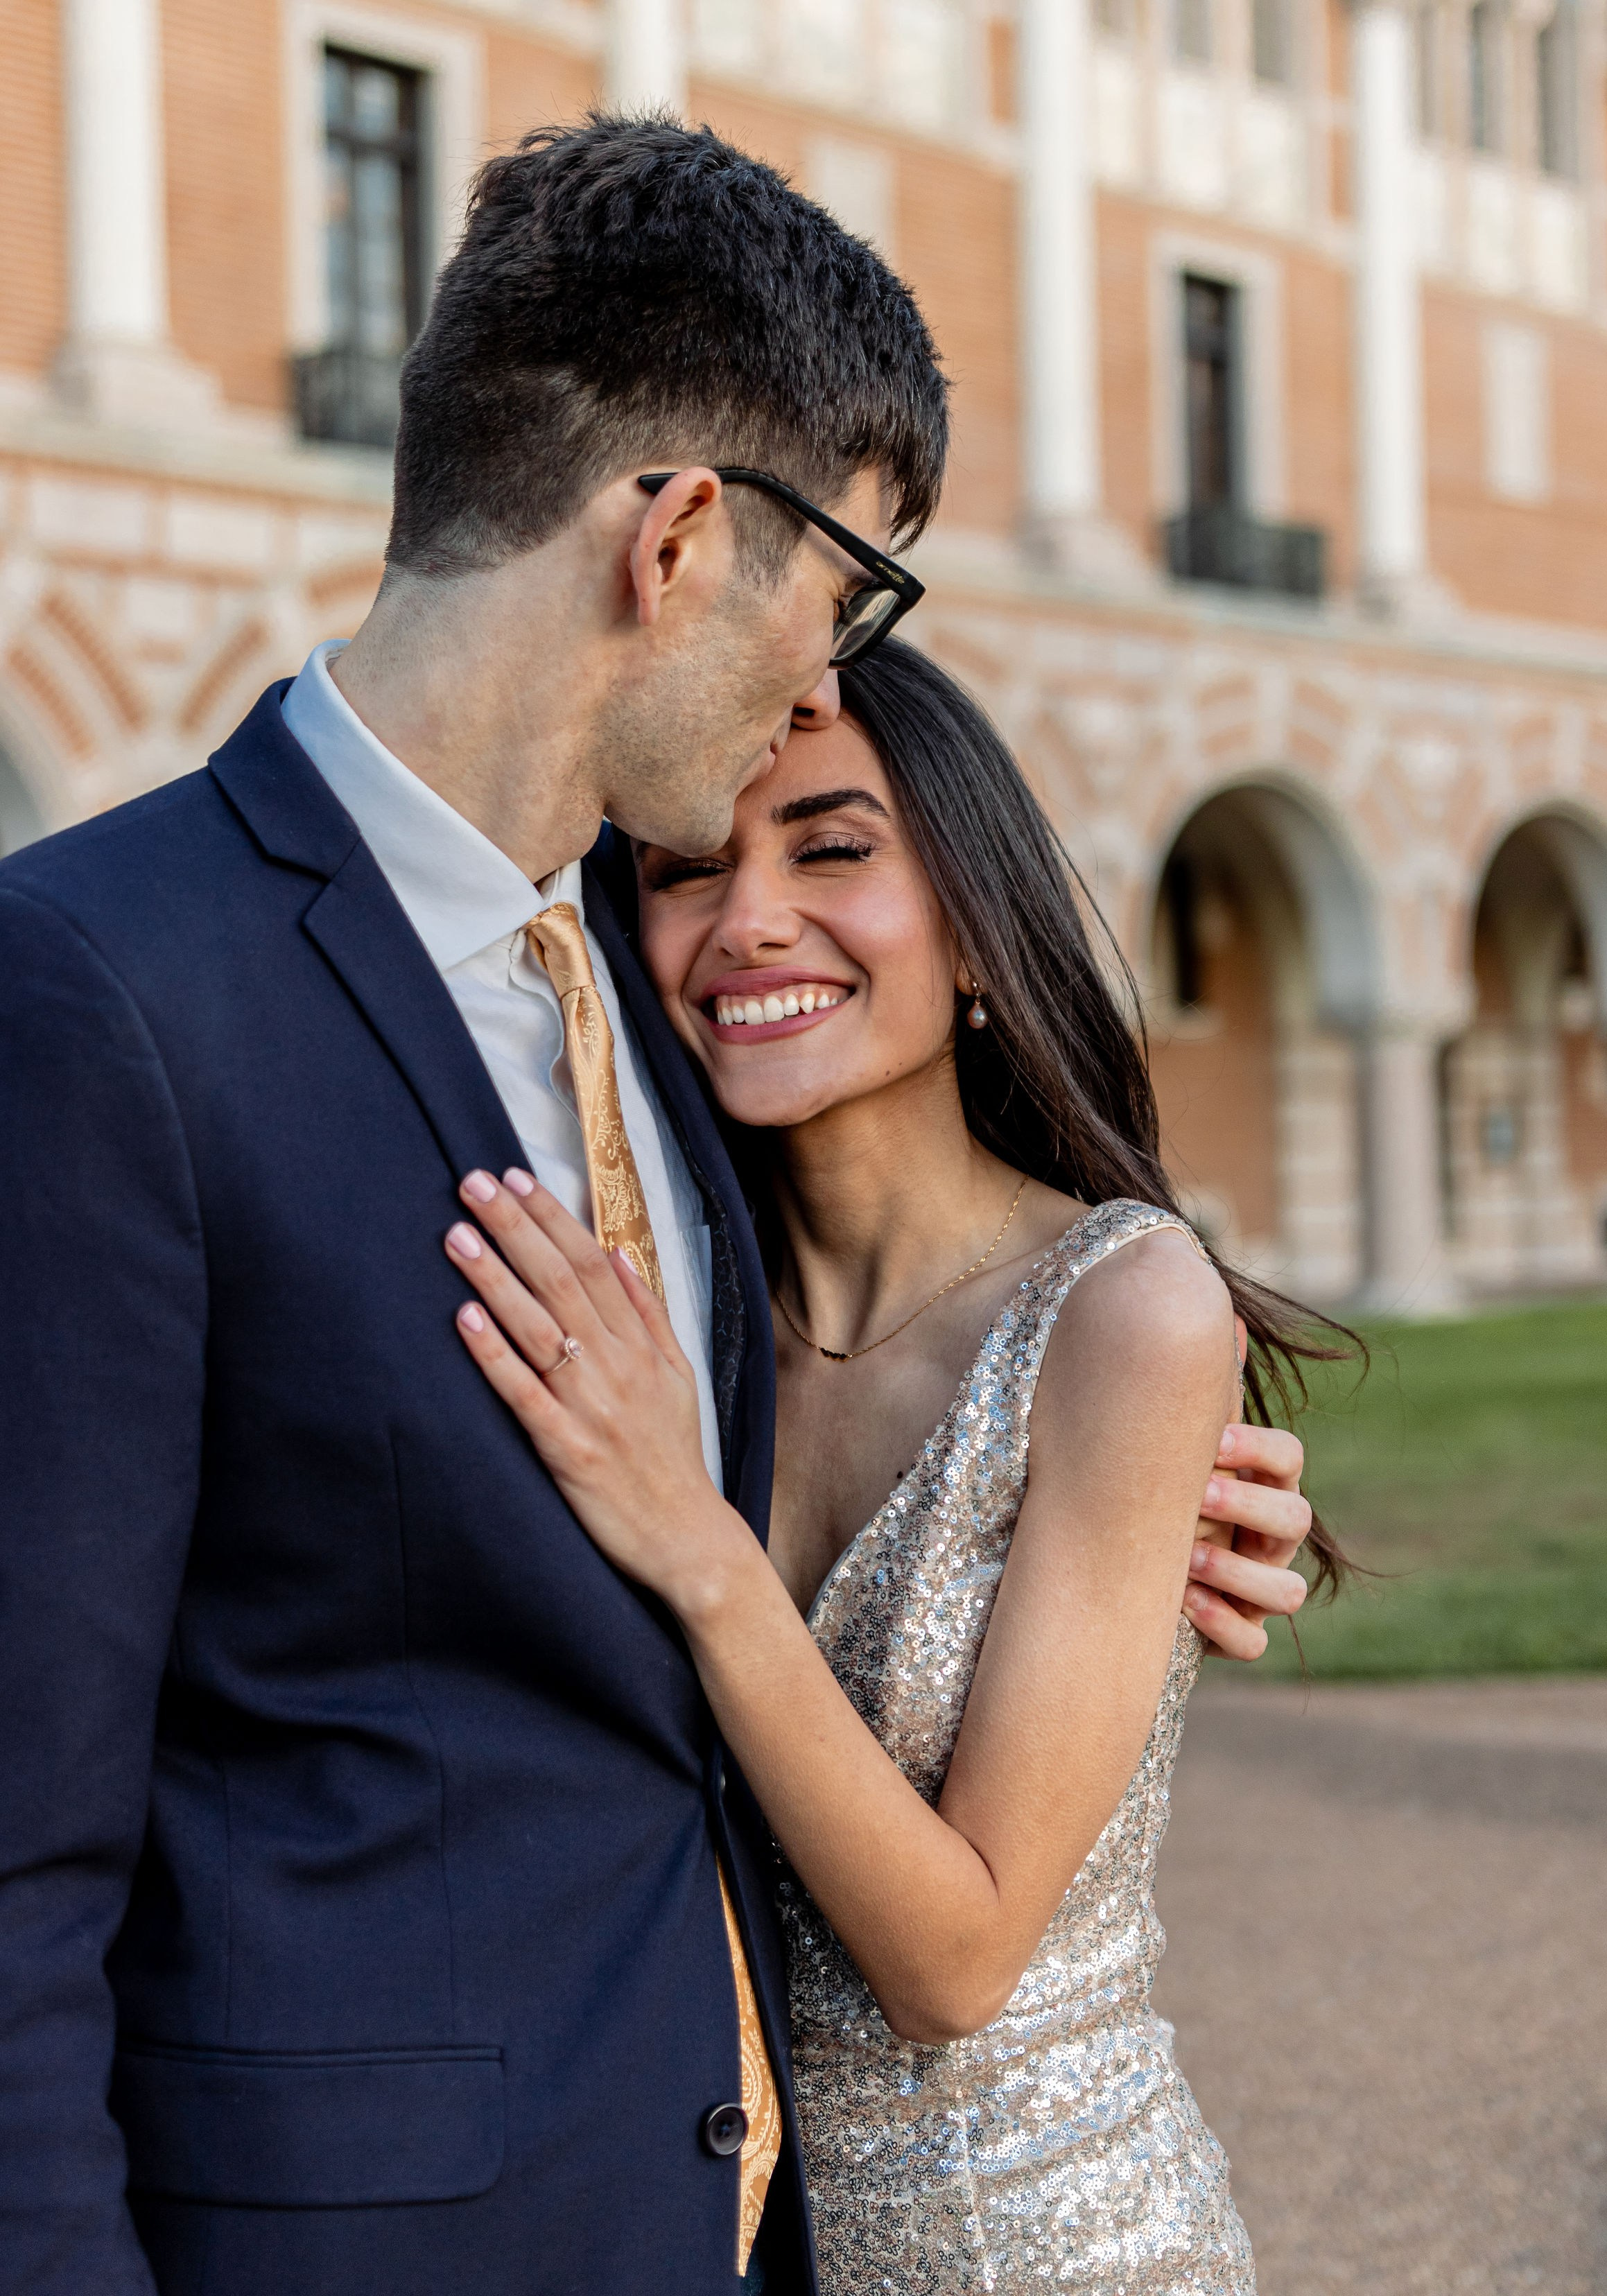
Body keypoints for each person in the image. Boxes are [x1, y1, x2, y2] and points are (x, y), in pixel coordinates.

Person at [0, 117, 1306, 2296]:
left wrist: (1096, 1491)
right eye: (844, 595)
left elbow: (806, 1430)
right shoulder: (98, 987)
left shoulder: (665, 1000)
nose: (828, 686)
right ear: (683, 536)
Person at [437, 638, 1344, 2291]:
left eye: (833, 849)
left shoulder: (1122, 1312)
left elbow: (954, 1961)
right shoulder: (671, 1324)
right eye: (688, 870)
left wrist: (695, 1548)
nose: (752, 918)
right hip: (718, 2235)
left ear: (979, 927)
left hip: (1054, 2248)